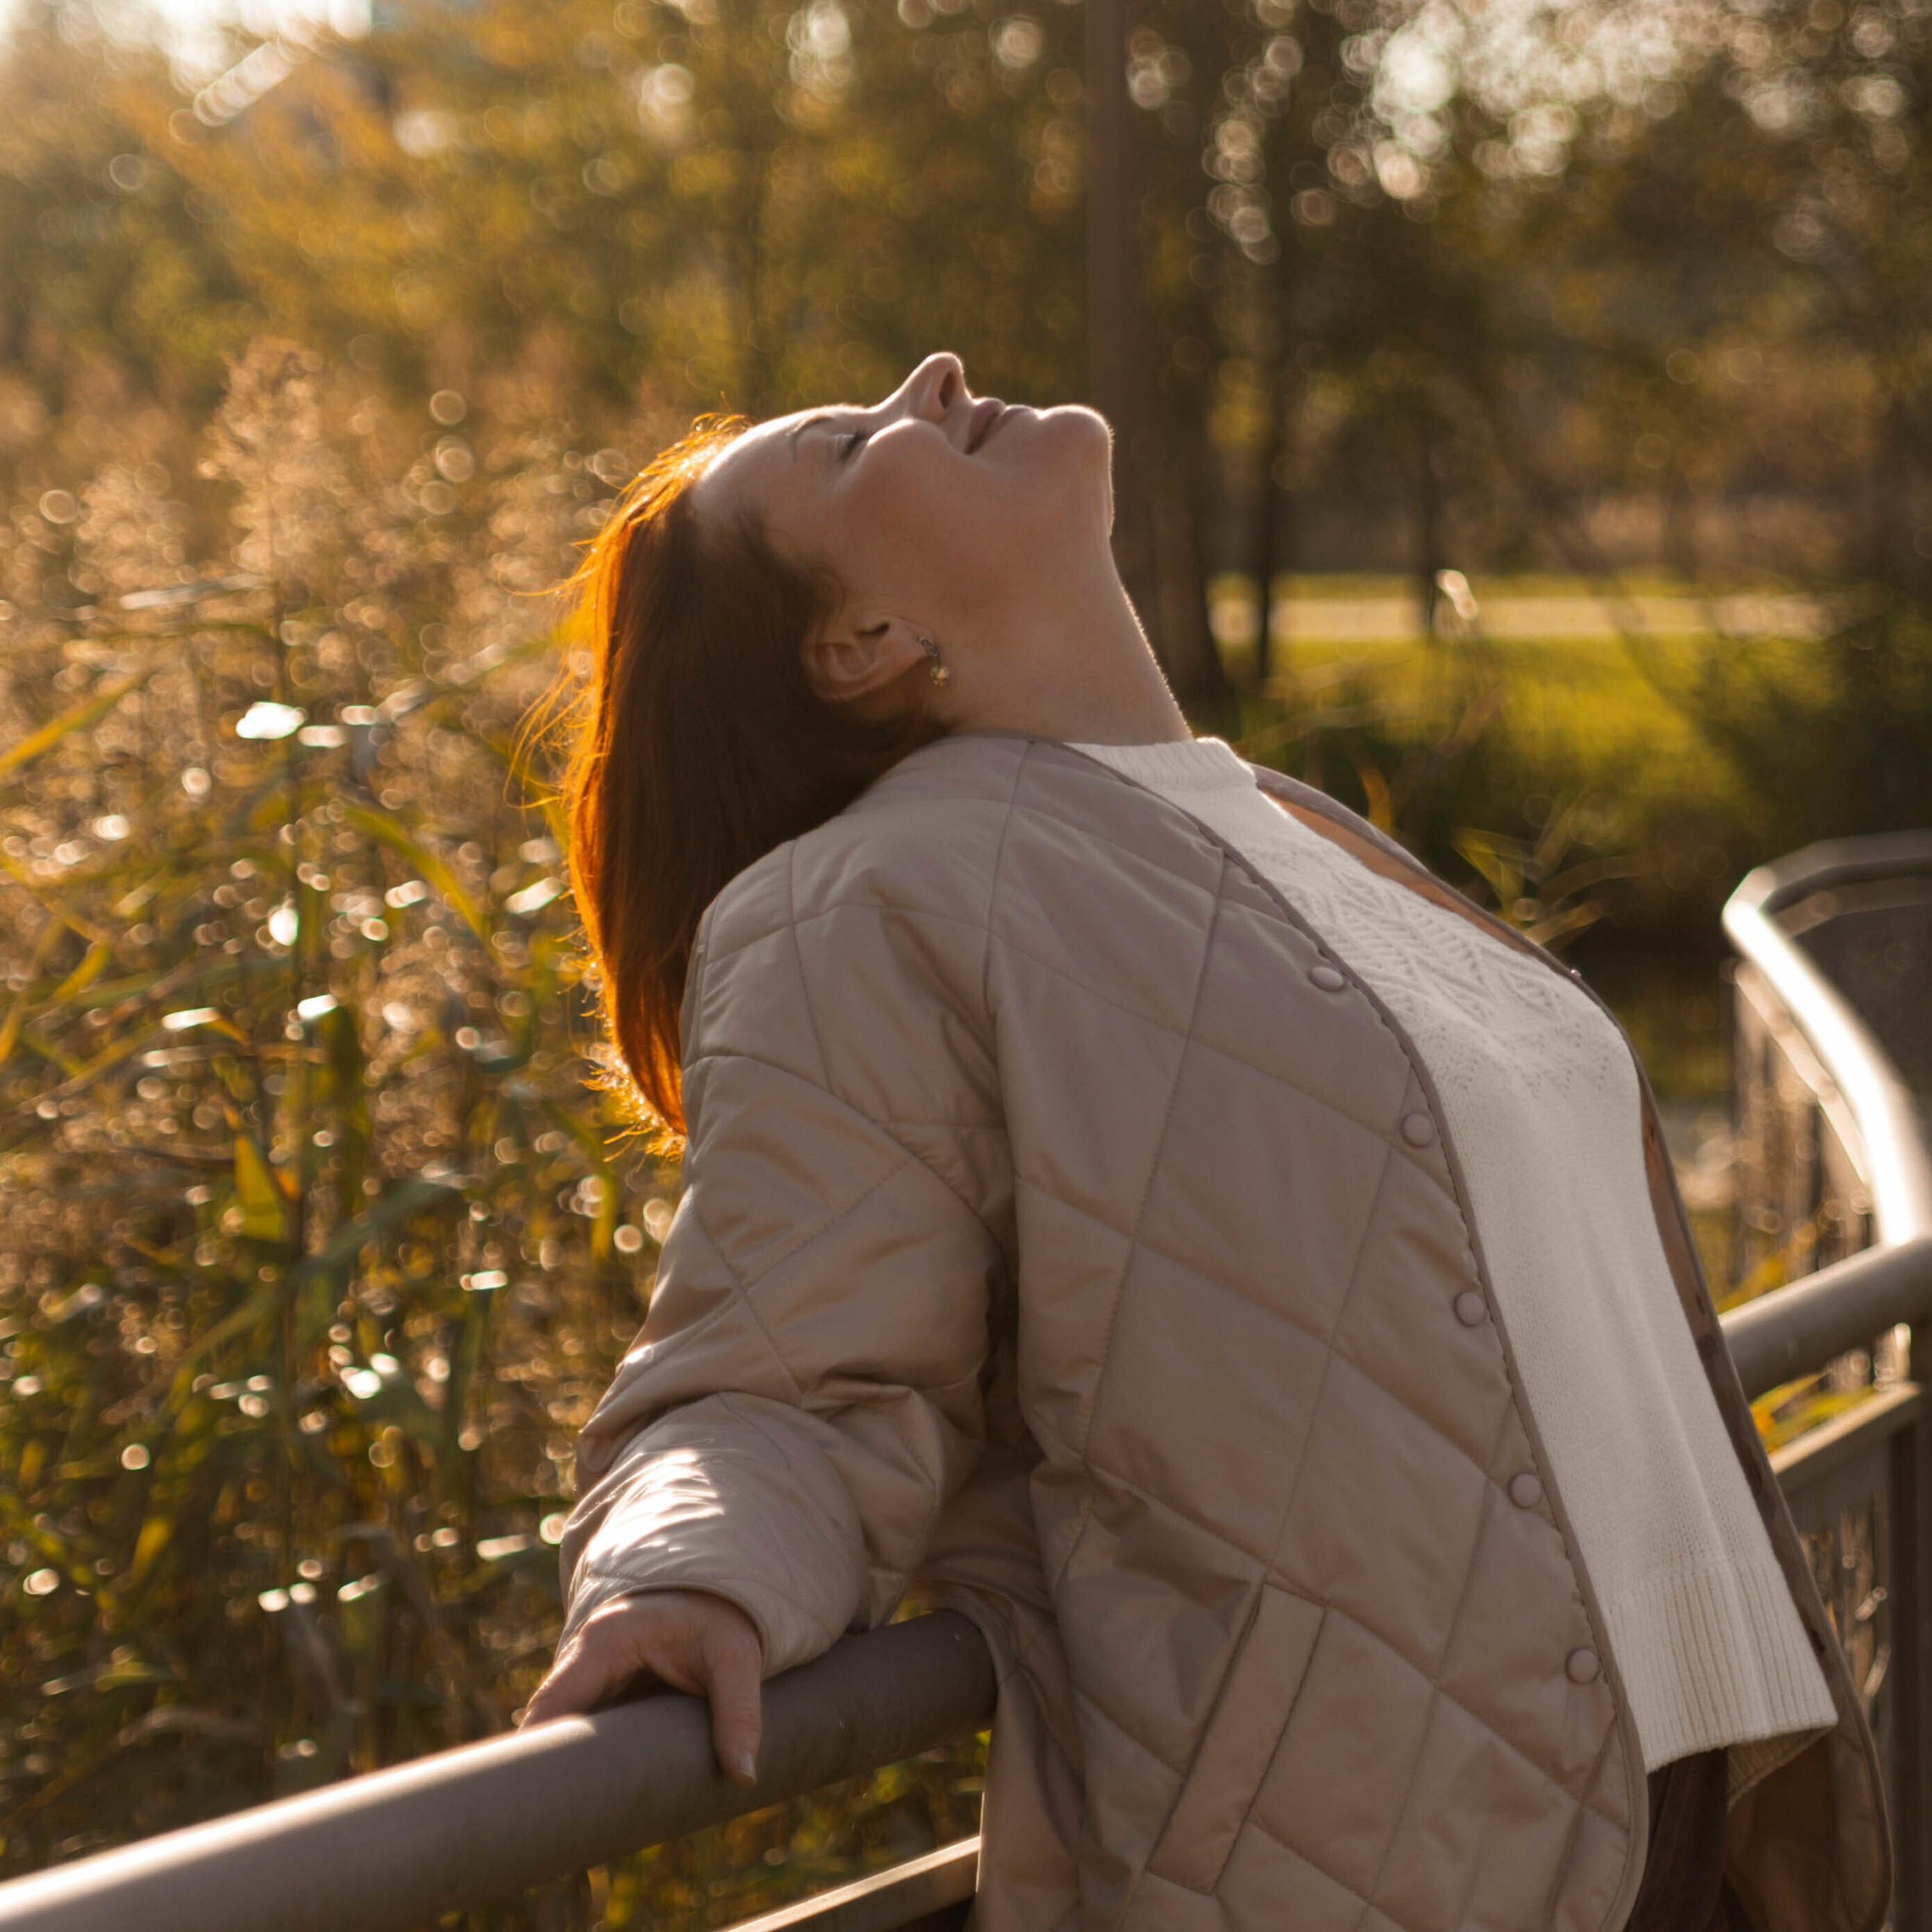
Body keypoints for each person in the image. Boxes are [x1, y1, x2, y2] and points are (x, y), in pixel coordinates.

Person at [521, 352, 1888, 1932]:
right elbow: (783, 1372)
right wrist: (684, 1575)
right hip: (1391, 1850)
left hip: (1687, 1803)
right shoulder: (861, 906)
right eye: (847, 446)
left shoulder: (1290, 823)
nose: (931, 377)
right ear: (861, 644)